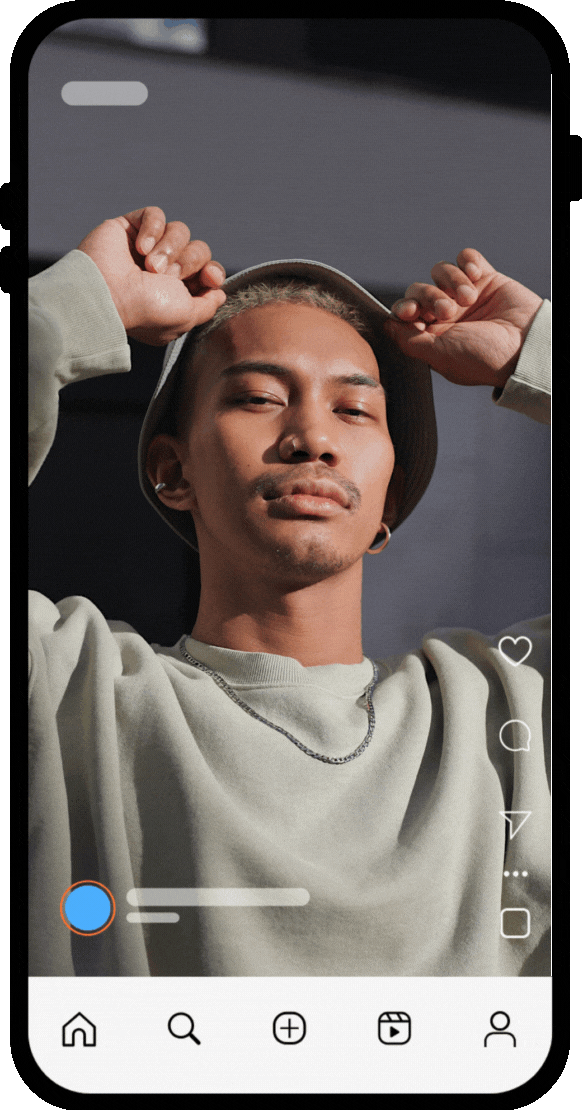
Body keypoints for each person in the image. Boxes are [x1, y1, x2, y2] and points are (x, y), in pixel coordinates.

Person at [28, 207, 550, 977]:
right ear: (172, 470)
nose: (313, 435)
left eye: (354, 408)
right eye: (259, 397)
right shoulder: (64, 688)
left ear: (390, 497)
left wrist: (549, 355)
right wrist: (73, 307)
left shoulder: (514, 709)